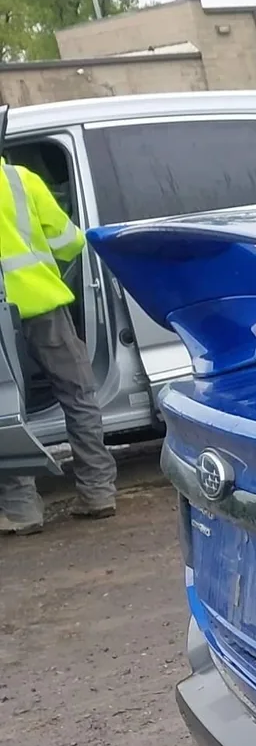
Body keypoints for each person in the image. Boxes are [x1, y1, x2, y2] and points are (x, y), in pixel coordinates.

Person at [0, 142, 114, 535]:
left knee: (5, 410)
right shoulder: (21, 179)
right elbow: (71, 242)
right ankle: (97, 492)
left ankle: (21, 511)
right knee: (78, 394)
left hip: (1, 318)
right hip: (44, 305)